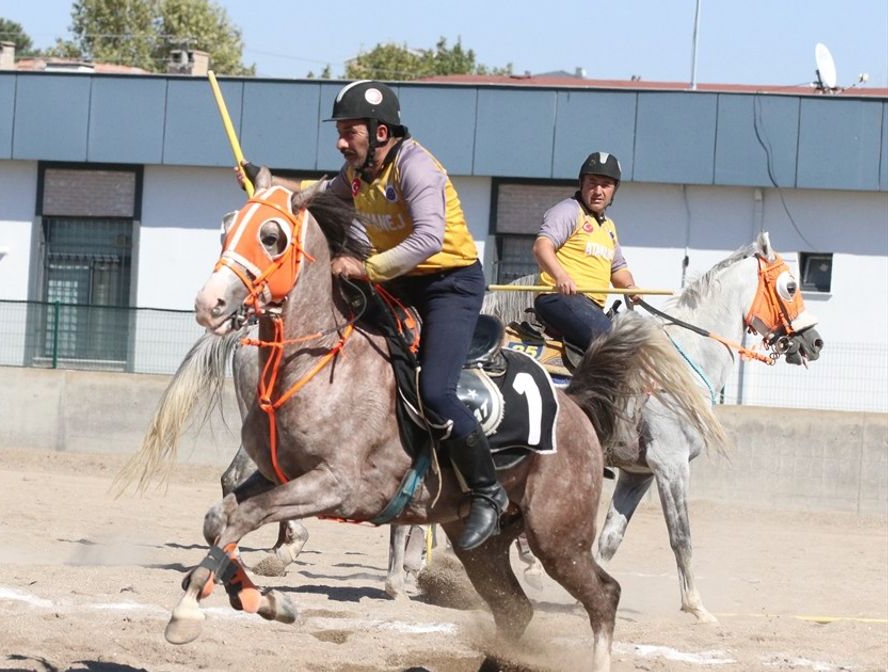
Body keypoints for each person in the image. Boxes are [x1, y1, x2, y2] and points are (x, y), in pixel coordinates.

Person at [237, 80, 505, 550]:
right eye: (339, 132)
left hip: (449, 285)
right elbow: (315, 195)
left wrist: (364, 267)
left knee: (437, 391)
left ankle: (488, 492)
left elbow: (429, 241)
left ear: (381, 131)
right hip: (397, 279)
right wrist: (266, 181)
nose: (341, 142)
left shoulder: (417, 168)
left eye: (349, 131)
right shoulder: (357, 172)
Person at [531, 151, 639, 352]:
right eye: (592, 182)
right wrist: (560, 276)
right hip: (559, 298)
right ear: (581, 183)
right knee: (612, 344)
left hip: (589, 308)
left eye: (605, 185)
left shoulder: (609, 228)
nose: (598, 190)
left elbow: (618, 270)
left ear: (614, 190)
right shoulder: (568, 211)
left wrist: (630, 286)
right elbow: (542, 247)